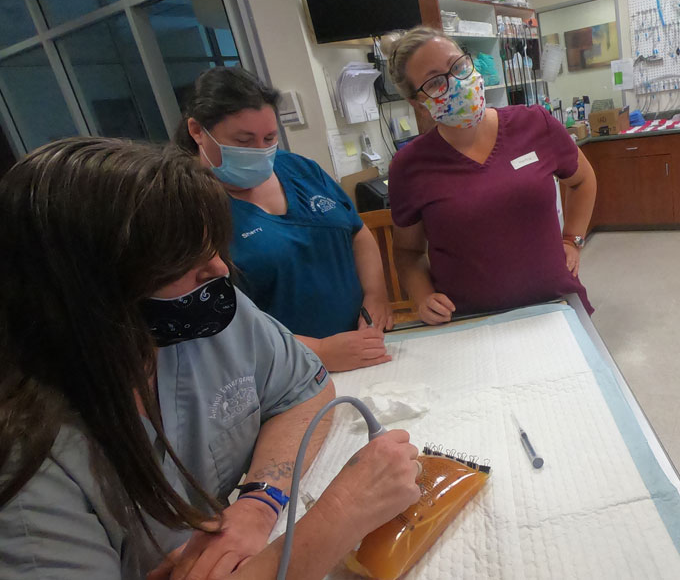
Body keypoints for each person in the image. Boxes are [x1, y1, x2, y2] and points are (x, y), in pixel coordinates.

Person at [0, 138, 421, 579]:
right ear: (86, 292)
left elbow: (303, 390)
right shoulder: (29, 459)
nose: (218, 270)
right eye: (182, 259)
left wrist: (260, 501)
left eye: (213, 246)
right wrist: (339, 517)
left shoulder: (204, 314)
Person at [173, 67, 392, 372]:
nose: (261, 152)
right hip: (282, 371)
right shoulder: (188, 210)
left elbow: (357, 232)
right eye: (244, 141)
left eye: (269, 138)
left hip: (363, 344)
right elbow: (217, 324)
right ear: (197, 131)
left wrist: (376, 296)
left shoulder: (300, 170)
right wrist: (319, 351)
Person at [384, 27, 598, 325]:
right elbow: (408, 252)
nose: (456, 83)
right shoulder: (409, 167)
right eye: (435, 82)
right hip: (472, 322)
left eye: (458, 66)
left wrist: (572, 240)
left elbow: (583, 181)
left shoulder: (535, 124)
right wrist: (423, 297)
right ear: (417, 103)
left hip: (556, 306)